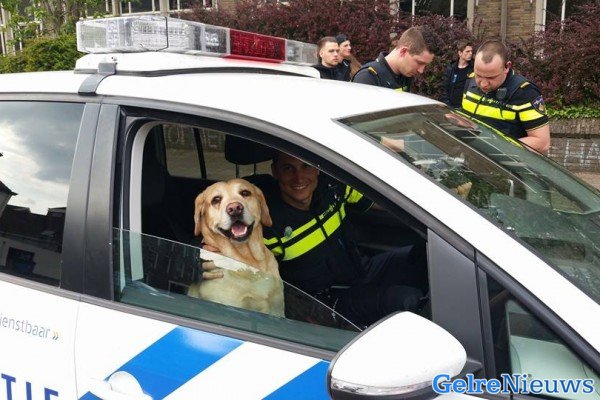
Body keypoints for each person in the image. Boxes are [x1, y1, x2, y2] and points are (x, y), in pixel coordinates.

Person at [260, 152, 425, 326]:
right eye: (288, 169)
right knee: (408, 300)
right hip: (328, 303)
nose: (299, 178)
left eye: (306, 166)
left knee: (424, 253)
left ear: (317, 169)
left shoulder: (332, 187)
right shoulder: (269, 224)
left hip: (360, 270)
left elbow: (384, 202)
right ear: (275, 172)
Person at [461, 39, 550, 153]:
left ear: (507, 67)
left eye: (491, 78)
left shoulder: (525, 92)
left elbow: (542, 143)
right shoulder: (470, 81)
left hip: (506, 167)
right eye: (479, 75)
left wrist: (494, 146)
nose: (483, 84)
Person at [352, 26, 437, 92]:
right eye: (419, 62)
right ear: (403, 51)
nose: (421, 70)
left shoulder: (406, 75)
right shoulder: (368, 77)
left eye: (425, 65)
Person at [441, 40, 474, 108]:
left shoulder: (473, 70)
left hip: (465, 108)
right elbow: (444, 88)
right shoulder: (451, 69)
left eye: (471, 51)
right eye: (467, 51)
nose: (470, 53)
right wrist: (447, 105)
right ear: (460, 53)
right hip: (451, 107)